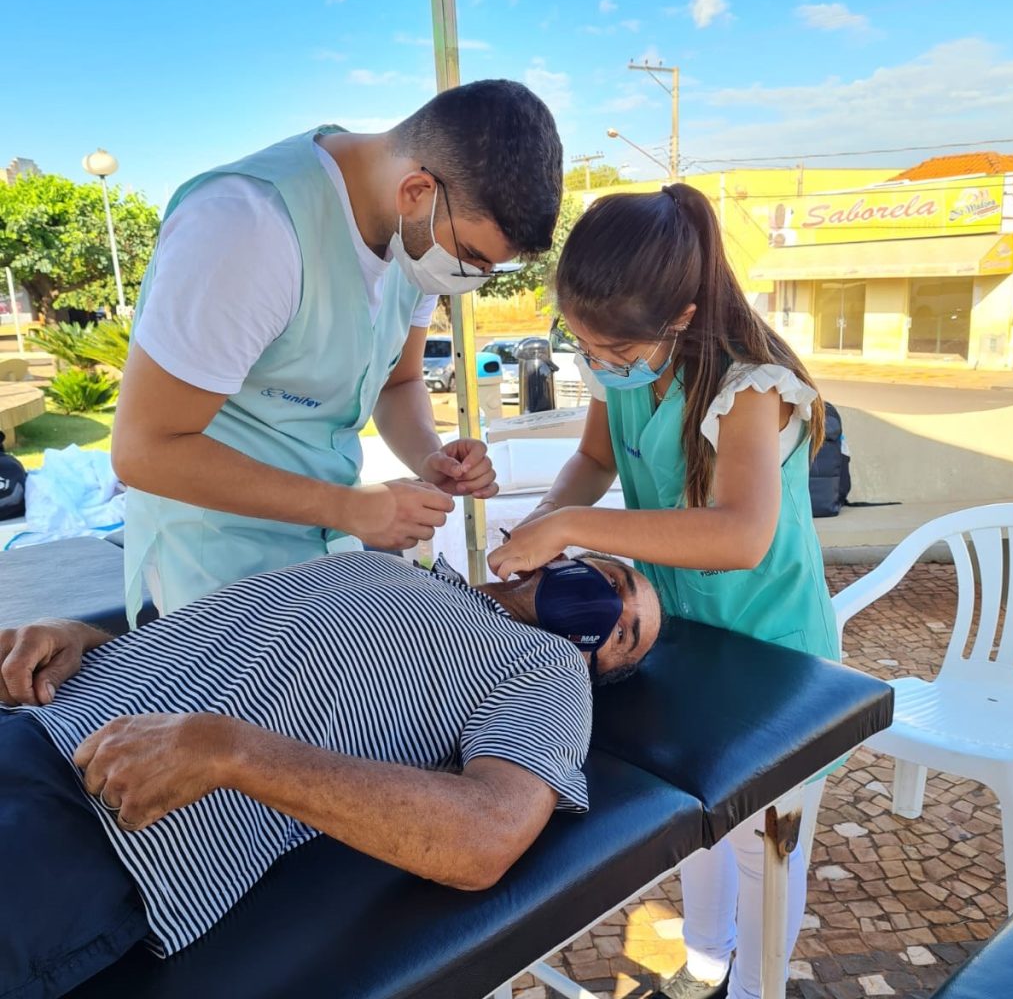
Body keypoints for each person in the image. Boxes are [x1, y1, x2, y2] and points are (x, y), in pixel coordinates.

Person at [0, 548, 661, 998]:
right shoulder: (380, 561)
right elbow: (226, 637)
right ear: (559, 559)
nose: (611, 610)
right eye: (613, 581)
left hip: (99, 822)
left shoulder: (548, 666)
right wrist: (83, 640)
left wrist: (230, 752)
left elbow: (488, 833)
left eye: (627, 634)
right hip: (34, 722)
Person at [487, 184, 841, 999]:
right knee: (703, 825)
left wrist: (576, 526)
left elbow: (739, 535)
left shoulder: (750, 389)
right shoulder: (627, 368)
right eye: (583, 345)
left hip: (776, 660)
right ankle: (707, 961)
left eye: (612, 349)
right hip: (684, 639)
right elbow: (594, 462)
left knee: (764, 844)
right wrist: (540, 525)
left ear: (680, 317)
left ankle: (757, 986)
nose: (599, 363)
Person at [112, 79, 564, 624]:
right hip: (215, 563)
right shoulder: (247, 226)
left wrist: (430, 456)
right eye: (470, 256)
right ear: (417, 192)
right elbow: (144, 450)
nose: (472, 278)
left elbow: (399, 383)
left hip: (330, 546)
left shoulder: (413, 242)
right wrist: (348, 507)